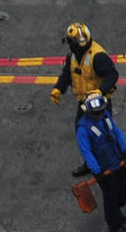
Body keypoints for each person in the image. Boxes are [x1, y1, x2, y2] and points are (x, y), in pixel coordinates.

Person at [50, 21, 119, 177]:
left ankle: (116, 162)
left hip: (100, 103)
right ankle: (91, 163)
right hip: (84, 102)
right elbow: (68, 72)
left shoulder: (98, 56)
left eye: (70, 41)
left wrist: (99, 92)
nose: (69, 45)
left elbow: (112, 75)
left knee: (106, 134)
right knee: (83, 132)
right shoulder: (73, 53)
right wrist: (58, 88)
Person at [75, 92, 126, 232]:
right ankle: (115, 224)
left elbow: (117, 133)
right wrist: (96, 171)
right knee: (111, 196)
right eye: (96, 113)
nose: (99, 115)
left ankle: (117, 209)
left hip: (117, 158)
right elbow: (86, 151)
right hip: (104, 166)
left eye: (101, 111)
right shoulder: (83, 128)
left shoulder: (105, 116)